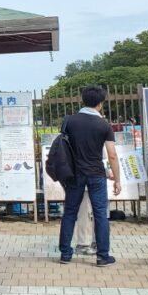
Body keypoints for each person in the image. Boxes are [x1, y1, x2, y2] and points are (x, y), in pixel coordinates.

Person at [58, 85, 121, 266]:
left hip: (74, 174)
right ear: (100, 103)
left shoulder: (70, 121)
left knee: (70, 213)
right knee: (100, 213)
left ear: (82, 100)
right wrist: (117, 180)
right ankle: (102, 256)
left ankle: (65, 254)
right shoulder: (103, 125)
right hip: (96, 174)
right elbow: (112, 155)